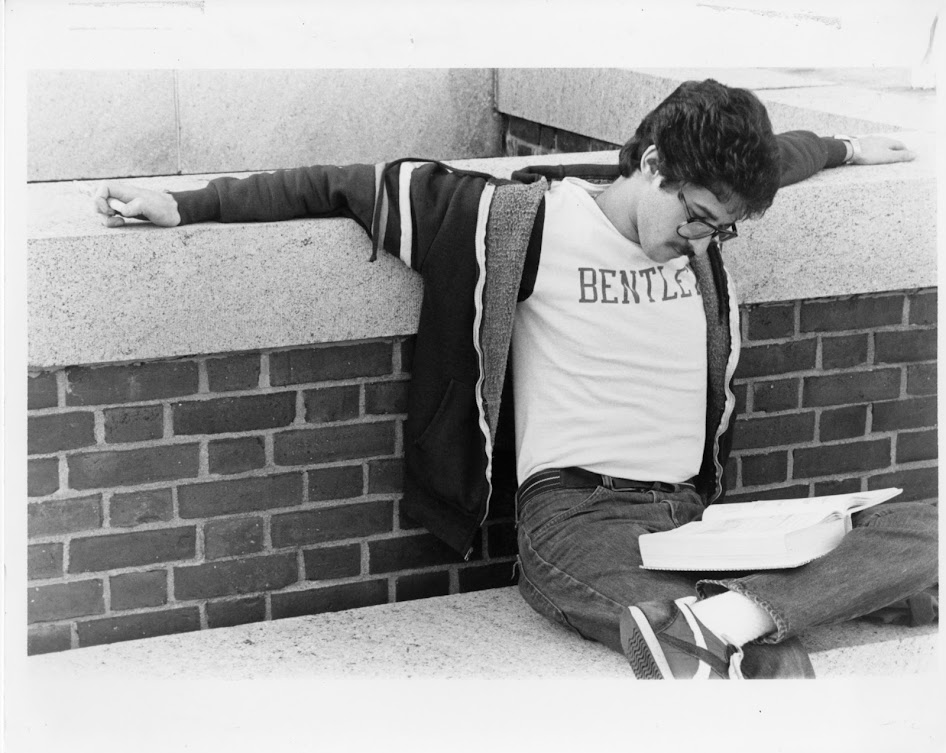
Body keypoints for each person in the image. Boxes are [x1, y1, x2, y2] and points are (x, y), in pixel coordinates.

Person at [92, 79, 936, 679]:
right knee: (768, 657)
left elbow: (782, 156)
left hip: (695, 516)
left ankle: (730, 614)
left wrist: (847, 145)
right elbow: (344, 182)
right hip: (578, 518)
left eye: (725, 231)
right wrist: (189, 203)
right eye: (697, 218)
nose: (704, 242)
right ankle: (750, 618)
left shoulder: (705, 204)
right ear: (649, 163)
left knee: (928, 525)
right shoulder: (519, 222)